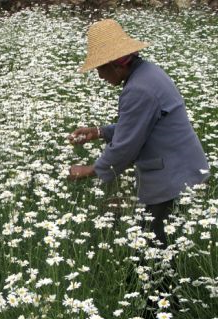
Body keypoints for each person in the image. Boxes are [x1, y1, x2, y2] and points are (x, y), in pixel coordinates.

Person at [68, 19, 209, 249]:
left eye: (100, 68)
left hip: (172, 179)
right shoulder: (147, 74)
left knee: (153, 253)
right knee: (159, 247)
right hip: (182, 170)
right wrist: (99, 132)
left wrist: (90, 170)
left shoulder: (138, 89)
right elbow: (138, 126)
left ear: (117, 65)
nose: (100, 76)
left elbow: (126, 146)